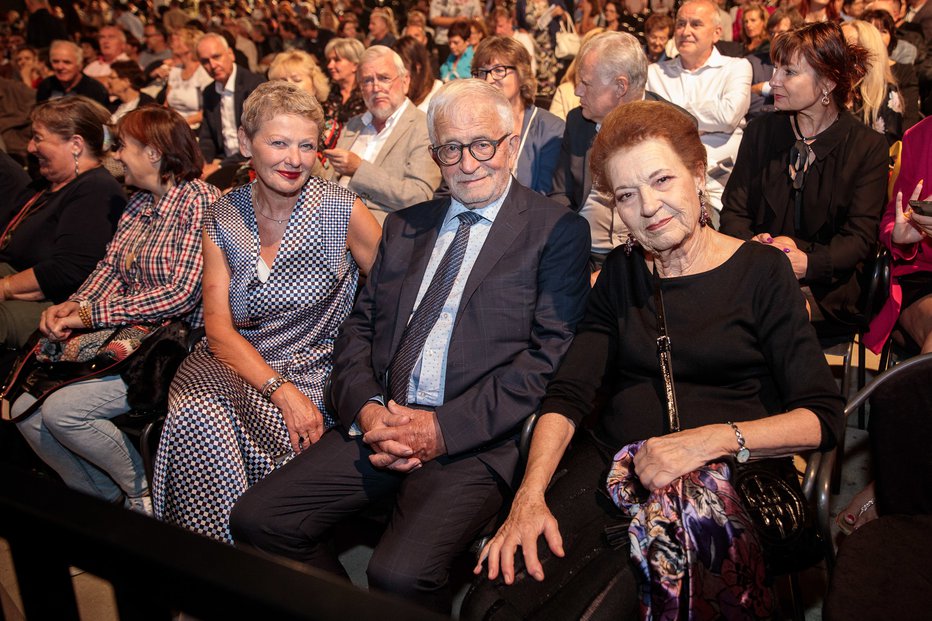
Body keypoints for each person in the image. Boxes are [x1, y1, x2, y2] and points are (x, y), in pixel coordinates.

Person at [467, 100, 845, 620]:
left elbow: (822, 419)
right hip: (615, 465)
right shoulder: (622, 275)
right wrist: (528, 497)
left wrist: (706, 441)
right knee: (493, 601)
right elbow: (569, 393)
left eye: (662, 180)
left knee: (611, 607)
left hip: (723, 479)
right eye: (627, 194)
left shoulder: (761, 272)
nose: (648, 206)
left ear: (696, 173)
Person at [229, 79, 591, 613]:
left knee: (396, 575)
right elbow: (357, 331)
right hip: (382, 420)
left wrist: (441, 430)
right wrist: (368, 411)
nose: (467, 163)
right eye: (450, 148)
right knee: (259, 519)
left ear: (511, 144)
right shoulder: (404, 226)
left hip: (471, 435)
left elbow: (545, 361)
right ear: (434, 154)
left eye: (482, 145)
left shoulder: (554, 231)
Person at [152, 81, 381, 543]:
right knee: (200, 413)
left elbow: (396, 297)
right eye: (278, 142)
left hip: (313, 364)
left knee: (217, 425)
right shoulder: (222, 213)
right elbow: (217, 328)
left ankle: (252, 558)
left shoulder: (342, 210)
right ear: (245, 142)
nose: (294, 160)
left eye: (306, 145)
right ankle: (217, 568)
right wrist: (280, 391)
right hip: (233, 359)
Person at [13, 106, 218, 514]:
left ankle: (142, 493)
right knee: (24, 410)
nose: (116, 155)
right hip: (122, 339)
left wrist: (89, 316)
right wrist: (73, 305)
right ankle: (98, 504)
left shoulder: (200, 202)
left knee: (63, 413)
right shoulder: (139, 204)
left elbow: (180, 295)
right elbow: (109, 268)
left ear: (154, 153)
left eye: (123, 146)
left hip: (167, 349)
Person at [720, 22, 889, 332]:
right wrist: (754, 247)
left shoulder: (867, 147)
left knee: (771, 316)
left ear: (826, 82)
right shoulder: (760, 132)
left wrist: (806, 263)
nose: (773, 82)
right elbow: (733, 212)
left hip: (830, 283)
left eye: (789, 72)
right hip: (758, 269)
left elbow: (859, 239)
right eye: (775, 69)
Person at [850, 116, 932, 534]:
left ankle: (894, 488)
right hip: (924, 276)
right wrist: (900, 235)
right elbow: (891, 218)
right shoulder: (922, 135)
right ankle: (899, 490)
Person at [0, 96, 125, 349]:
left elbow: (68, 270)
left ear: (75, 144)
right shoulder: (46, 186)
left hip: (58, 308)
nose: (31, 148)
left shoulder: (96, 189)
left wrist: (4, 287)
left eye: (38, 138)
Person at [551, 32, 659, 276]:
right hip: (583, 255)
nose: (577, 91)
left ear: (620, 86)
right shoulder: (577, 122)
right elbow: (560, 194)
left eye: (586, 83)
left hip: (647, 260)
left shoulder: (670, 127)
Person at [647, 0, 752, 217]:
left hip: (720, 179)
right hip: (665, 178)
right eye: (680, 24)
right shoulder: (654, 73)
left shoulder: (736, 67)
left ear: (716, 33)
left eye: (695, 24)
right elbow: (649, 124)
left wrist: (670, 113)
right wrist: (707, 120)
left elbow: (728, 115)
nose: (685, 31)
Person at [323, 46, 440, 223]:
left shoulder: (423, 127)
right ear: (360, 88)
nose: (376, 87)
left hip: (380, 232)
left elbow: (419, 197)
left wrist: (359, 169)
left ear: (405, 81)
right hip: (328, 222)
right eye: (367, 81)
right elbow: (328, 181)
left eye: (384, 78)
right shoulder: (353, 126)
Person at [472, 36, 565, 194]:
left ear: (521, 73)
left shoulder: (551, 129)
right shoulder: (469, 126)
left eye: (499, 70)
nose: (488, 79)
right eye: (481, 72)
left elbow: (549, 198)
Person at [196, 32, 266, 189]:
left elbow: (255, 139)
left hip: (251, 161)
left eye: (217, 57)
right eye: (205, 61)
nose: (212, 65)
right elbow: (207, 136)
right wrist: (204, 163)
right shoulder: (209, 92)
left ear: (231, 55)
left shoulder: (254, 85)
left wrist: (220, 166)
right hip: (222, 162)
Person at [842, 19, 905, 145]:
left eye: (852, 47)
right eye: (838, 44)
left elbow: (888, 148)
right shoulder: (827, 87)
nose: (841, 52)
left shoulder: (886, 94)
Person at [862, 8, 920, 130]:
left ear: (891, 37)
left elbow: (911, 117)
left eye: (883, 31)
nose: (877, 36)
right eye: (873, 31)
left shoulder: (905, 71)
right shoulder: (857, 70)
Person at [160, 28, 214, 129]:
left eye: (178, 39)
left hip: (195, 128)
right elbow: (166, 104)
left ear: (190, 45)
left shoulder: (203, 72)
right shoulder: (175, 71)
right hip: (172, 125)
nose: (173, 41)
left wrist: (180, 124)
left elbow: (207, 111)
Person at [36, 40, 110, 107]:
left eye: (67, 62)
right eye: (55, 61)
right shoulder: (46, 85)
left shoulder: (95, 90)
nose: (60, 67)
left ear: (80, 65)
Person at [393, 35, 443, 112]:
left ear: (417, 67)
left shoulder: (439, 95)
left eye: (401, 68)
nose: (397, 74)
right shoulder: (397, 95)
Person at [106, 60, 156, 124]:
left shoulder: (147, 105)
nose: (108, 81)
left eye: (112, 78)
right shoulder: (113, 105)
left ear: (126, 82)